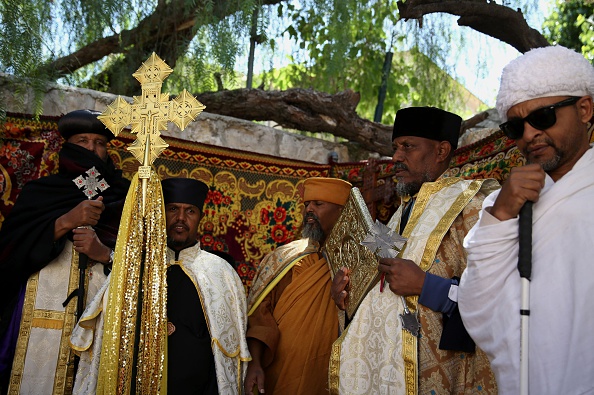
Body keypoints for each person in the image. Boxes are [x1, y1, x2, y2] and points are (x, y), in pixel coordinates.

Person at [329, 107, 499, 394]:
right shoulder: (400, 212)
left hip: (436, 374)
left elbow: (496, 296)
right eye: (395, 147)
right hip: (381, 366)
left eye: (408, 146)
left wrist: (426, 285)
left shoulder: (473, 204)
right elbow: (367, 284)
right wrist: (346, 293)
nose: (396, 157)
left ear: (442, 150)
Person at [458, 45, 594, 394]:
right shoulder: (502, 205)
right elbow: (477, 308)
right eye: (516, 127)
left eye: (543, 117)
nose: (529, 135)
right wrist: (501, 214)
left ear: (584, 109)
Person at [70, 177, 250, 394]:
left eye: (190, 211)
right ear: (161, 213)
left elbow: (229, 352)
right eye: (173, 209)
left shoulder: (221, 272)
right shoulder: (136, 267)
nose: (180, 218)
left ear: (200, 217)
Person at [0, 109, 130, 394]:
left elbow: (146, 260)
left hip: (103, 316)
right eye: (83, 141)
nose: (92, 150)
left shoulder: (125, 196)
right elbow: (9, 255)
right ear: (68, 146)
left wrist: (104, 253)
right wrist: (65, 222)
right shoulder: (41, 192)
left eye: (100, 143)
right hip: (38, 316)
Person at [244, 177, 352, 394]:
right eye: (306, 205)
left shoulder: (355, 262)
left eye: (318, 204)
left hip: (331, 376)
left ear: (341, 211)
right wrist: (254, 363)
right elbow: (259, 316)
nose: (309, 210)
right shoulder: (284, 257)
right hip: (278, 375)